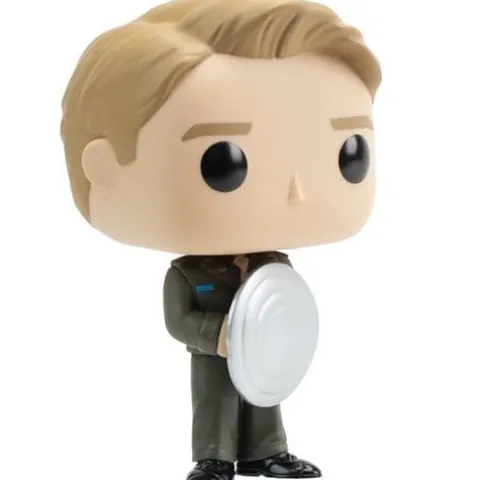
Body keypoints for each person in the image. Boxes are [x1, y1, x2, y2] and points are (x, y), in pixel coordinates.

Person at [61, 0, 382, 478]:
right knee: (214, 401)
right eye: (223, 163)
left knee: (265, 398)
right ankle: (213, 457)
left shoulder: (273, 265)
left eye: (348, 154)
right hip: (215, 353)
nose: (296, 192)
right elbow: (178, 321)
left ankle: (267, 451)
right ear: (104, 171)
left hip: (264, 354)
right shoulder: (188, 274)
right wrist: (219, 336)